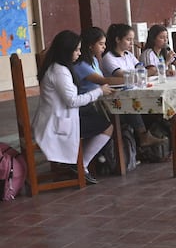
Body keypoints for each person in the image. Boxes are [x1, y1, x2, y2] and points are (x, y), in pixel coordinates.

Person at [32, 30, 114, 185]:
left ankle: (77, 162)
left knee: (98, 117)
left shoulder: (57, 67)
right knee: (107, 127)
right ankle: (81, 164)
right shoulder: (60, 71)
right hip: (57, 123)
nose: (79, 53)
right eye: (76, 50)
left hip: (59, 116)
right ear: (66, 51)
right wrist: (99, 91)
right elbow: (72, 101)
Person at [99, 24, 167, 148]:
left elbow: (144, 70)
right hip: (116, 97)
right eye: (128, 40)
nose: (131, 43)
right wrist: (142, 74)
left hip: (133, 90)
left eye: (132, 40)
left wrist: (142, 73)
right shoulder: (109, 58)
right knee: (130, 103)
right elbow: (124, 76)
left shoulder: (128, 55)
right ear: (118, 39)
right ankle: (143, 135)